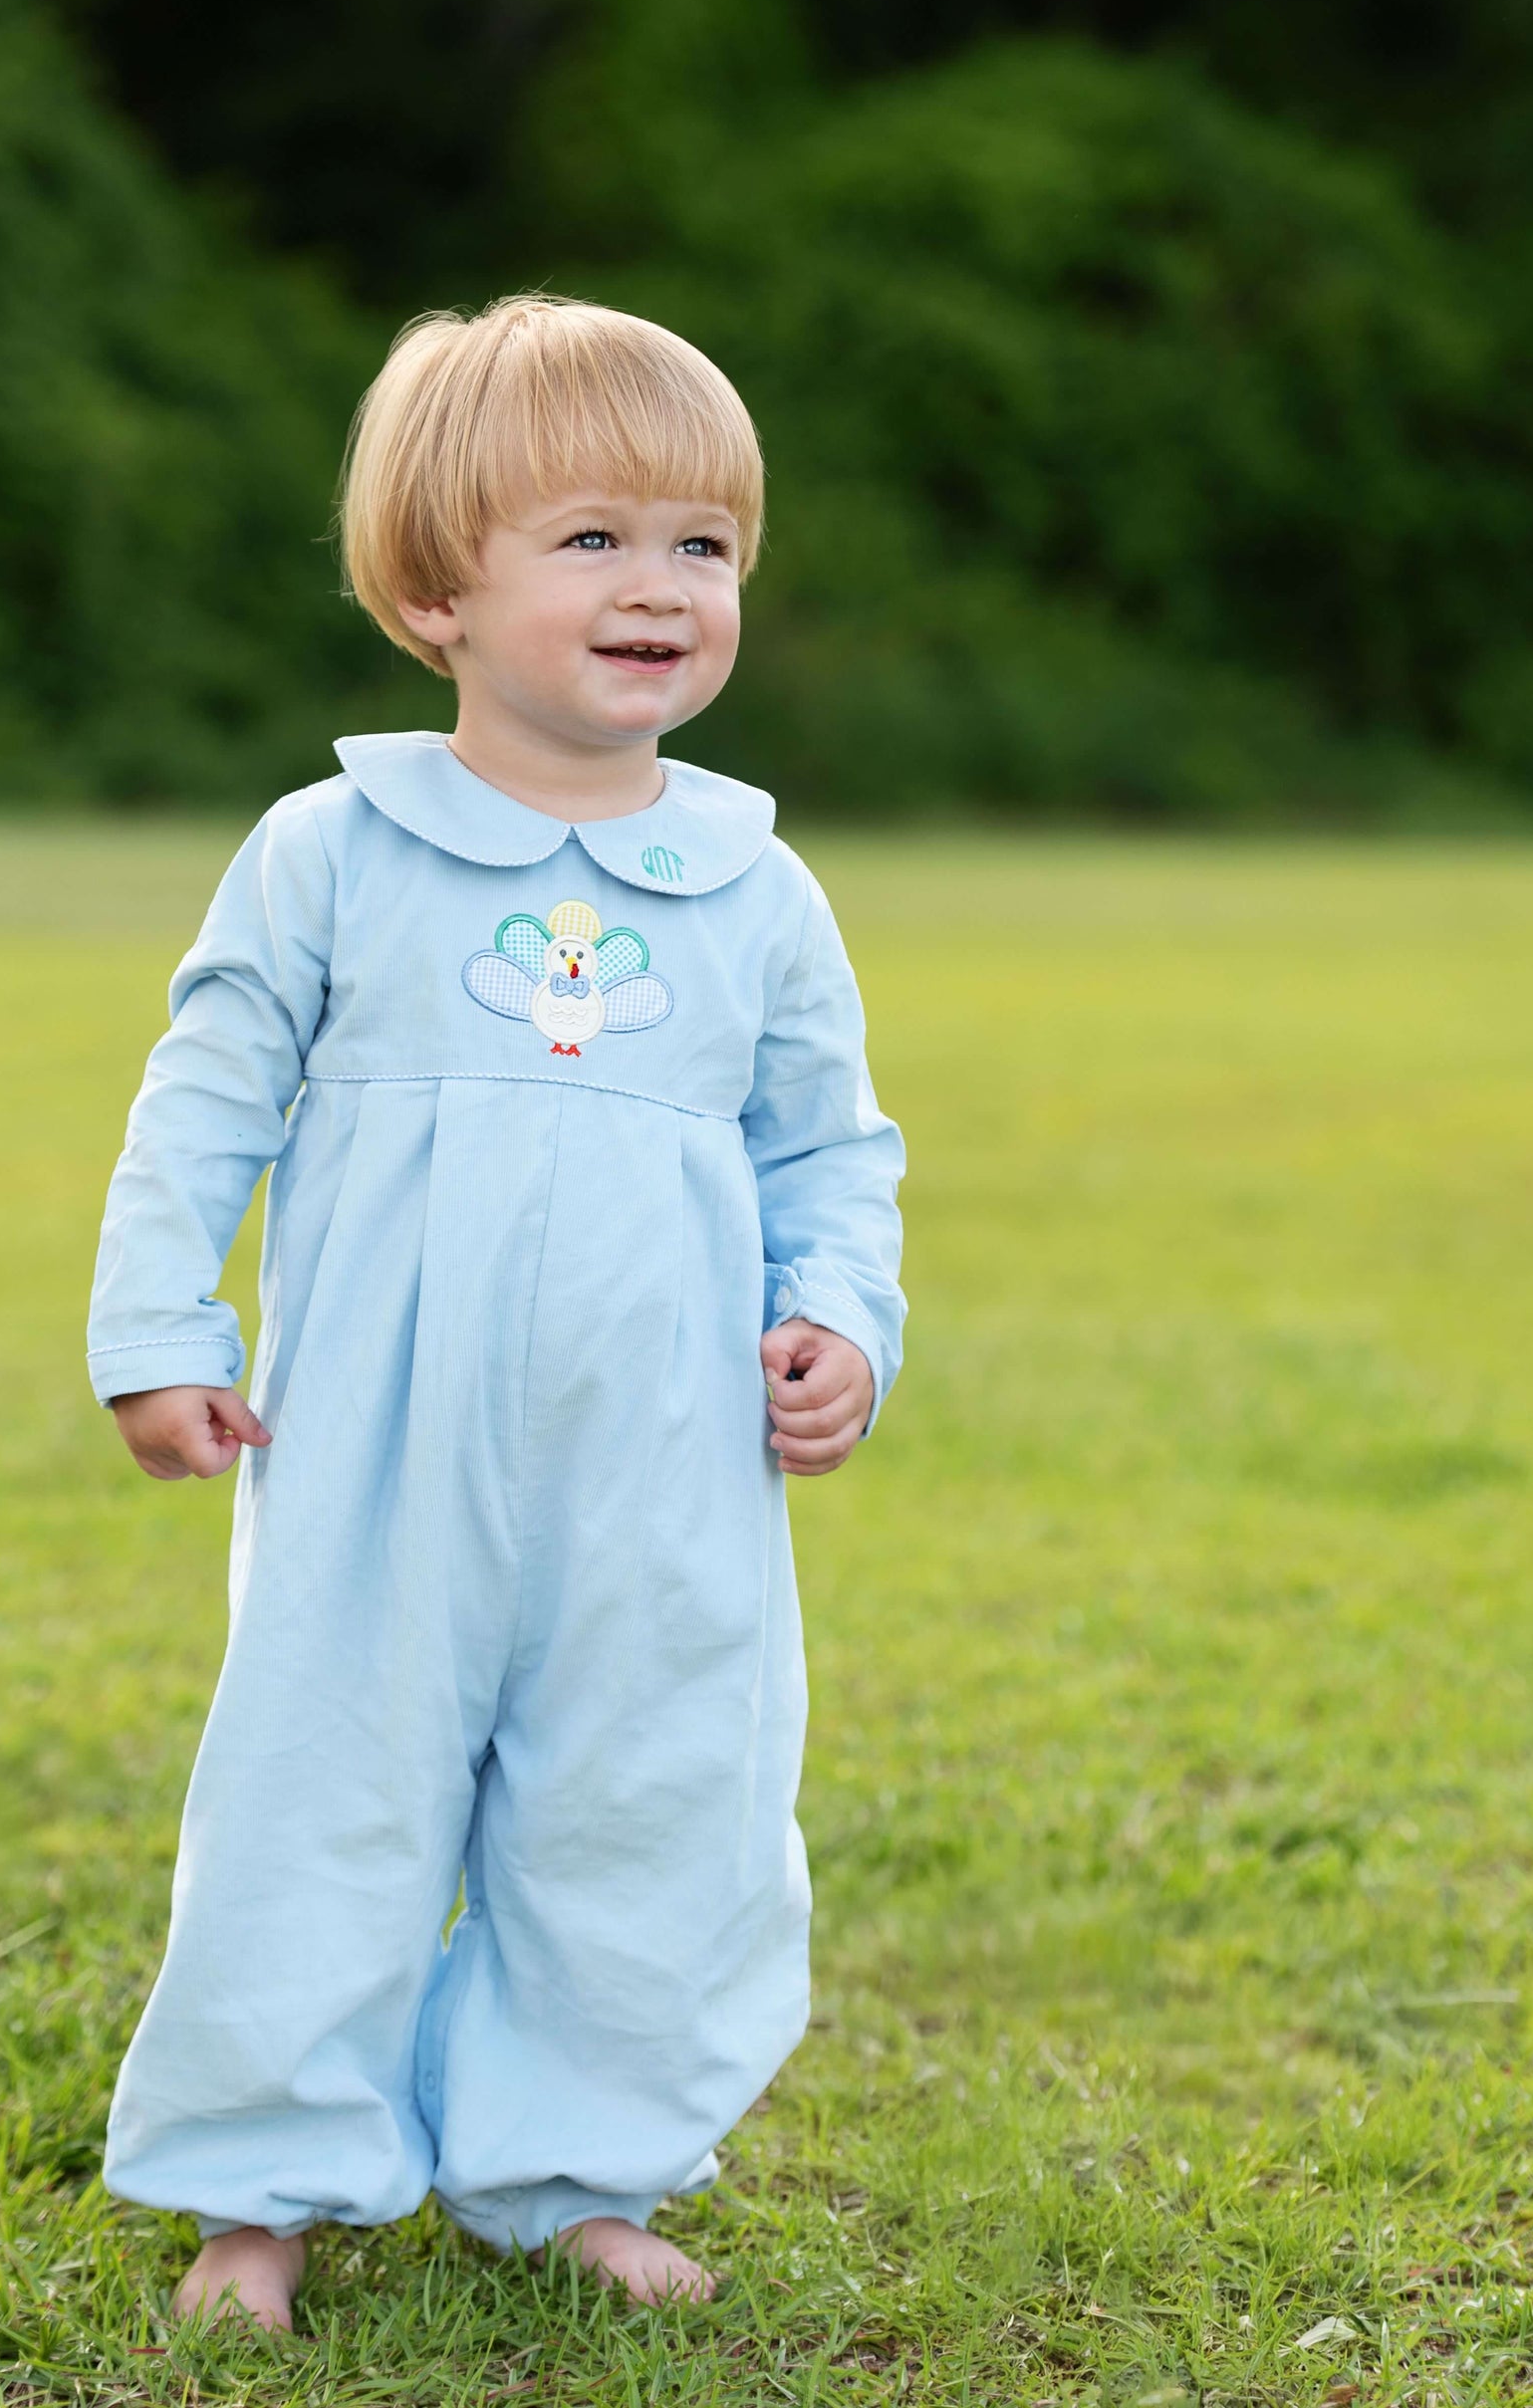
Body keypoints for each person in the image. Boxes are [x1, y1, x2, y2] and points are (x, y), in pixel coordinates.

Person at [86, 293, 906, 2331]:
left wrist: (843, 1316)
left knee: (646, 1793)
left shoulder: (754, 883)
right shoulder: (335, 854)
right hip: (378, 1433)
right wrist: (159, 1321)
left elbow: (828, 1140)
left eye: (702, 545)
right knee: (326, 1778)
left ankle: (571, 2161)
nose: (660, 587)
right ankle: (264, 2181)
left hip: (663, 1451)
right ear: (437, 588)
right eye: (595, 538)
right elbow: (203, 1097)